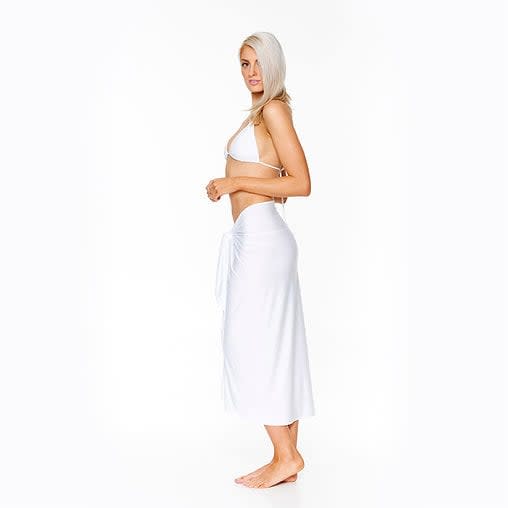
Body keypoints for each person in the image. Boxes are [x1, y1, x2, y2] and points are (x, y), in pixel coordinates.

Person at [205, 32, 316, 489]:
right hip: (254, 238)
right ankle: (286, 458)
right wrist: (238, 185)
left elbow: (301, 183)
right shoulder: (260, 113)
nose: (251, 73)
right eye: (244, 64)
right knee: (274, 342)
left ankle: (285, 455)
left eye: (257, 63)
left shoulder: (273, 110)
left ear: (274, 65)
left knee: (254, 342)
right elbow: (277, 177)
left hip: (263, 241)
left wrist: (234, 184)